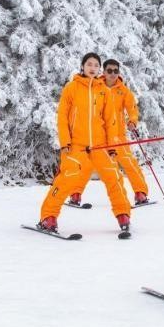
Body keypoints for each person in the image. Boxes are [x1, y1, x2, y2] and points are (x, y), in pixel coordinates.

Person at [38, 52, 131, 233]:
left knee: (114, 177)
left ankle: (123, 214)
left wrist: (111, 146)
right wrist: (65, 143)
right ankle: (48, 217)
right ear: (83, 66)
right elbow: (62, 117)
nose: (93, 68)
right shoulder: (71, 88)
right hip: (77, 145)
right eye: (89, 64)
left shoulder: (104, 90)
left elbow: (110, 120)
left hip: (100, 145)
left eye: (96, 65)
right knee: (67, 179)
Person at [68, 59, 150, 206]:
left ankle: (140, 193)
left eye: (115, 71)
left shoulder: (123, 90)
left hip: (117, 136)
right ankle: (75, 194)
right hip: (97, 135)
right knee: (87, 165)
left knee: (129, 163)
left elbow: (132, 108)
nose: (113, 74)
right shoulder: (95, 87)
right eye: (109, 71)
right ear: (104, 72)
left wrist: (132, 121)